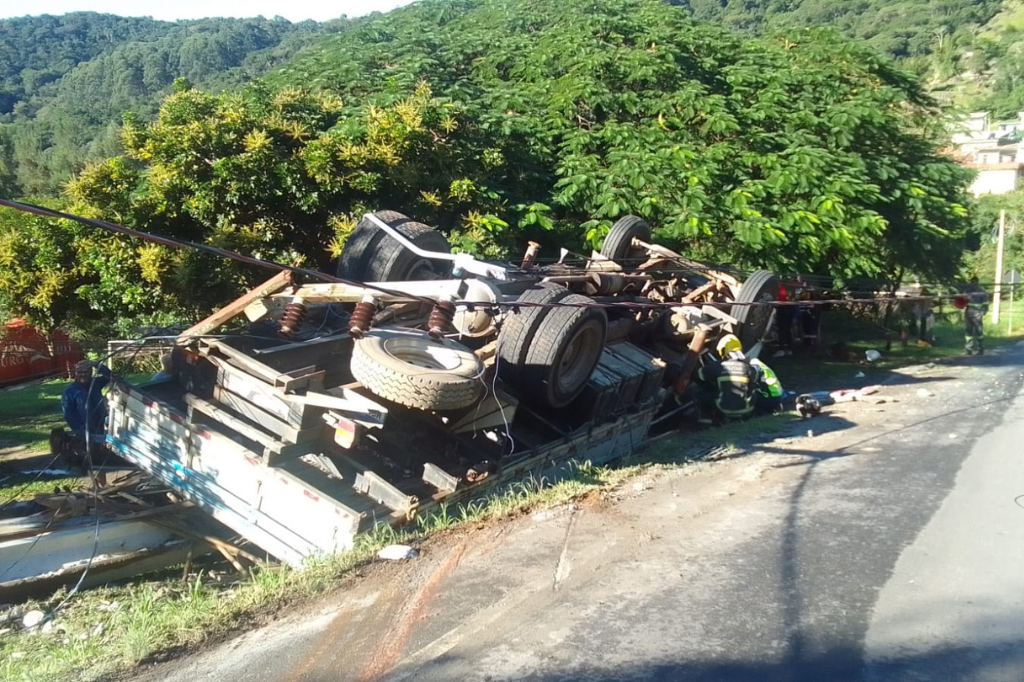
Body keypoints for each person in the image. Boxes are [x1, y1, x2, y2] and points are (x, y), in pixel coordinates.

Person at [694, 334, 759, 423]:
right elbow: (754, 381)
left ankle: (705, 423)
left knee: (701, 394)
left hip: (723, 409)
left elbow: (699, 376)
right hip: (746, 410)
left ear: (722, 351)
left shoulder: (718, 366)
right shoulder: (749, 367)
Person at [61, 360, 111, 437]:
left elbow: (109, 375)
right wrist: (80, 431)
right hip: (83, 431)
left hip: (99, 427)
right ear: (75, 373)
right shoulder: (70, 391)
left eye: (86, 372)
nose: (83, 374)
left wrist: (95, 364)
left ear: (91, 372)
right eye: (80, 372)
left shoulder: (96, 383)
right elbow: (68, 415)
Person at [964, 276, 989, 356]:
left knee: (979, 332)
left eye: (974, 282)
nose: (973, 284)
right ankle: (968, 349)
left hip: (977, 313)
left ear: (977, 282)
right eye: (972, 282)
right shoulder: (967, 291)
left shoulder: (982, 291)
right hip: (968, 313)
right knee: (968, 332)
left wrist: (983, 312)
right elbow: (962, 300)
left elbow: (986, 304)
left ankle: (981, 349)